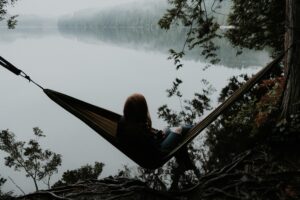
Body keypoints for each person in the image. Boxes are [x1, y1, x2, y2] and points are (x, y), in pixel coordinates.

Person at [116, 93, 195, 169]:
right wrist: (158, 138)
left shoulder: (125, 121)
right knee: (181, 129)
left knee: (168, 129)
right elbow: (154, 150)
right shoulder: (139, 132)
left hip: (147, 149)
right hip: (155, 157)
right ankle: (186, 163)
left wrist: (156, 135)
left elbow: (147, 142)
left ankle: (185, 163)